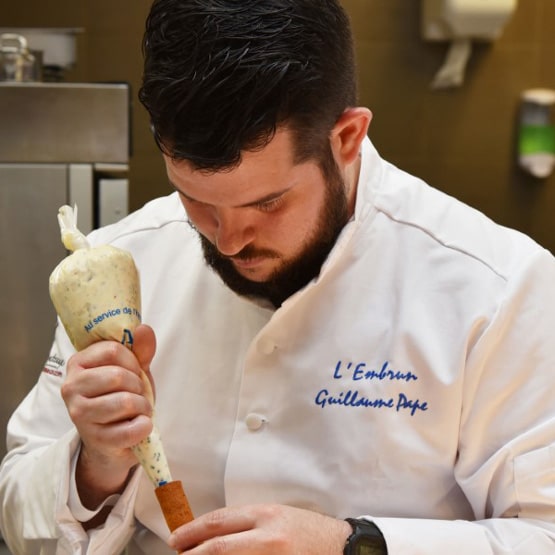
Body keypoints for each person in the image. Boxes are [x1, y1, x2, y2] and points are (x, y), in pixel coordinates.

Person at [1, 0, 555, 553]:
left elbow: (543, 531)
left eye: (268, 203)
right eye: (196, 200)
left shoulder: (500, 289)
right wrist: (93, 467)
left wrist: (353, 543)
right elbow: (15, 508)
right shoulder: (117, 267)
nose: (228, 239)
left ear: (346, 138)